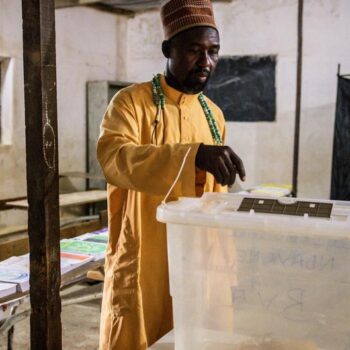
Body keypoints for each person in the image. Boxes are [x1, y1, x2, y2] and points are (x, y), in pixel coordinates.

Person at [97, 0, 245, 349]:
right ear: (168, 49)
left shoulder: (213, 115)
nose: (206, 62)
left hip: (199, 257)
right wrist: (191, 155)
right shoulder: (130, 103)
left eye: (213, 52)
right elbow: (114, 158)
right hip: (147, 250)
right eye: (194, 50)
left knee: (196, 334)